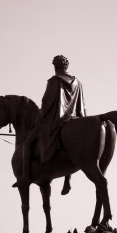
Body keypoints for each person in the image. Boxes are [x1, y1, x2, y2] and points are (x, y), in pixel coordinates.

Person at [13, 55, 86, 194]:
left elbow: (46, 103)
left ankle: (25, 177)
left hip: (56, 120)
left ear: (55, 67)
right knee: (69, 147)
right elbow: (81, 104)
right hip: (74, 118)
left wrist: (39, 115)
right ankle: (68, 181)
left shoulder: (54, 81)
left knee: (27, 144)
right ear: (66, 66)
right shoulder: (77, 82)